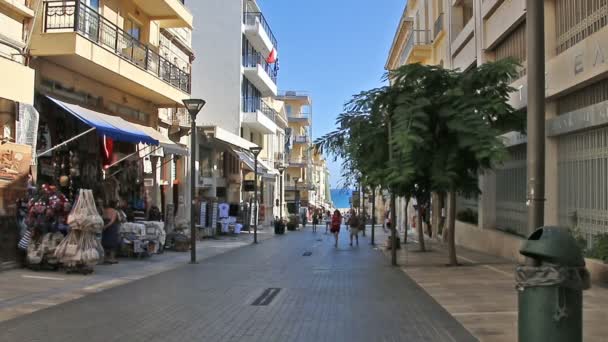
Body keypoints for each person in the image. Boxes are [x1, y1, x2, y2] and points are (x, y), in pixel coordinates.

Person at [102, 200, 121, 264]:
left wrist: (104, 226)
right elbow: (112, 220)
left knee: (105, 242)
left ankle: (104, 258)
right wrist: (107, 226)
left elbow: (102, 218)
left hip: (105, 226)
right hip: (111, 228)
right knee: (112, 243)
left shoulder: (105, 210)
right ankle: (111, 258)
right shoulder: (115, 211)